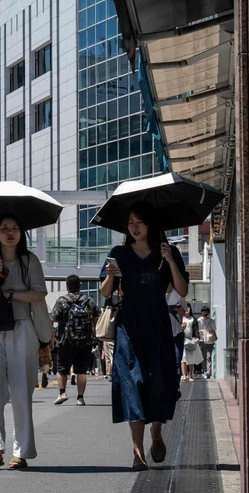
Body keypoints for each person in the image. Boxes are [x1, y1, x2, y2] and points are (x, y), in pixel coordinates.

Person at [101, 202, 188, 471]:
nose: (134, 227)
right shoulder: (118, 253)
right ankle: (137, 452)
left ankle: (157, 434)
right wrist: (111, 277)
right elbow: (105, 292)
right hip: (129, 327)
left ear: (150, 224)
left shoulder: (167, 252)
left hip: (158, 325)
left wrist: (171, 261)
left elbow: (182, 290)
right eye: (130, 223)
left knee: (157, 382)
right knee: (132, 385)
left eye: (139, 222)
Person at [0, 215, 47, 471]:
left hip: (22, 328)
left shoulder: (29, 261)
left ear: (22, 233)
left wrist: (12, 294)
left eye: (15, 228)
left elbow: (40, 292)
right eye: (4, 228)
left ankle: (21, 452)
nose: (10, 232)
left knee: (21, 392)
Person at [50, 275, 99, 406]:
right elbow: (96, 318)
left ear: (67, 287)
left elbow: (53, 318)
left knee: (62, 369)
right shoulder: (89, 300)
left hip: (66, 341)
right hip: (85, 341)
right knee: (82, 371)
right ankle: (80, 398)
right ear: (80, 285)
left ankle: (62, 393)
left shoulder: (62, 300)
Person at [181, 306, 203, 383]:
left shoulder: (193, 319)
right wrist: (182, 328)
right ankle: (184, 375)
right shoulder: (180, 318)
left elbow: (196, 329)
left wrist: (197, 337)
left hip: (191, 340)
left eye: (188, 309)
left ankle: (190, 373)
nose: (186, 311)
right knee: (183, 358)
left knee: (191, 358)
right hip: (182, 340)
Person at [197, 307, 218, 378]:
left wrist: (215, 336)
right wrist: (200, 331)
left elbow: (214, 329)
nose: (204, 313)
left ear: (208, 313)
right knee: (203, 357)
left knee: (209, 356)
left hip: (209, 340)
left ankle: (208, 372)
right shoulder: (199, 320)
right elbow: (196, 330)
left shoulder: (211, 320)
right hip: (201, 340)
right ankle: (205, 371)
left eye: (206, 312)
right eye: (203, 312)